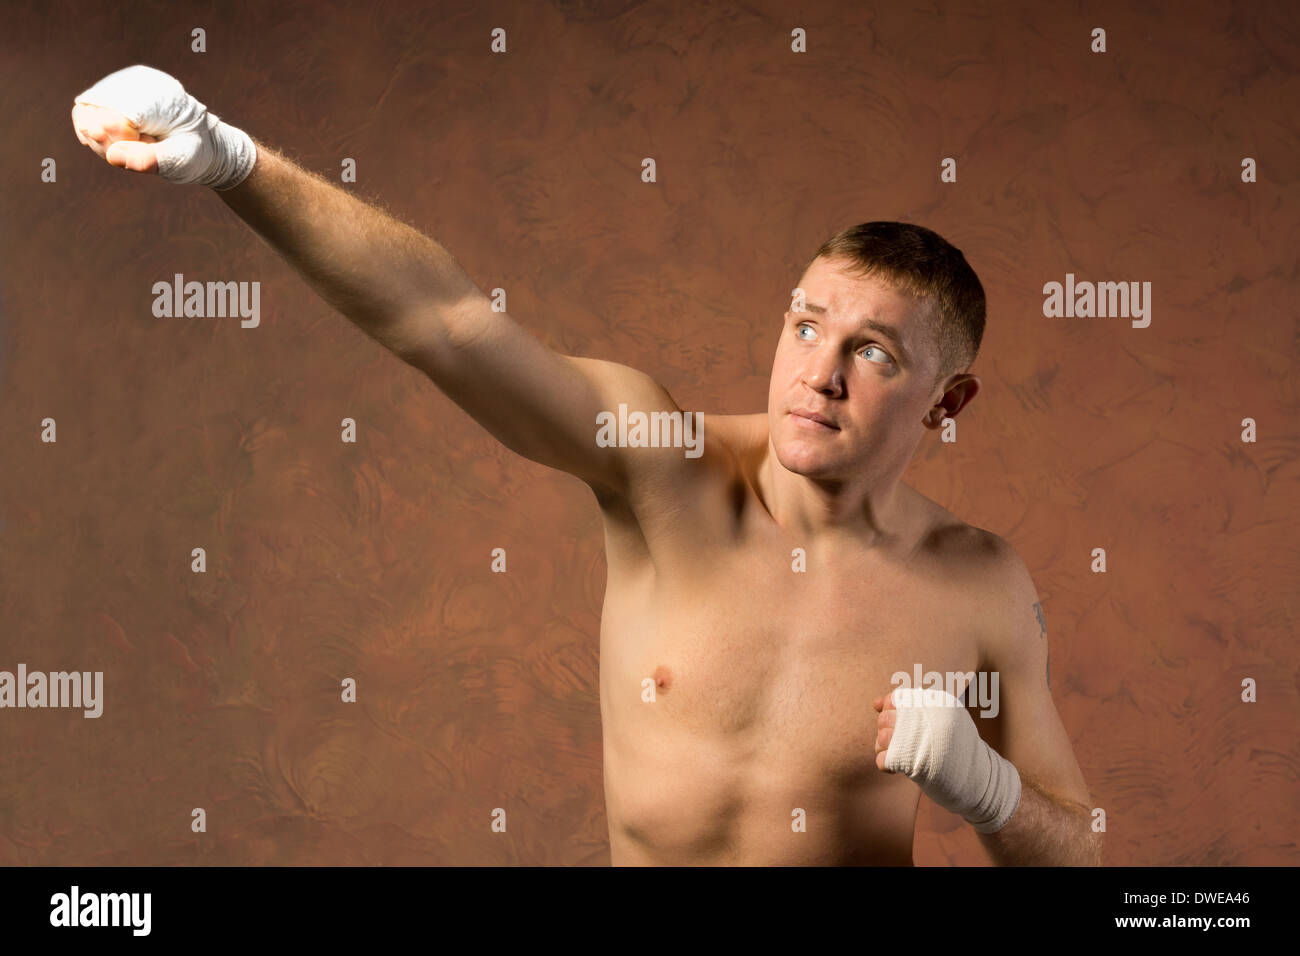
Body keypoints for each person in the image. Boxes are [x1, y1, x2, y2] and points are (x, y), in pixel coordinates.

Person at [71, 65, 1101, 865]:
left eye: (871, 352)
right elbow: (448, 323)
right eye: (804, 324)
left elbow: (1078, 853)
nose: (817, 374)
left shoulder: (980, 584)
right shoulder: (666, 466)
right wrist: (229, 158)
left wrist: (982, 784)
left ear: (947, 400)